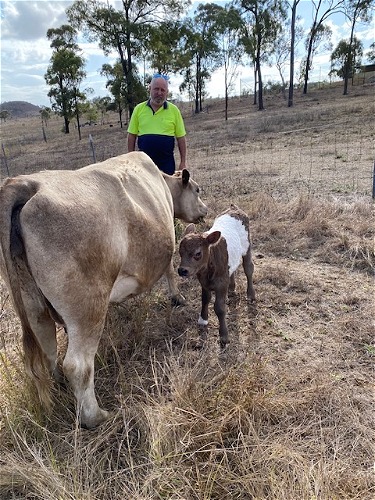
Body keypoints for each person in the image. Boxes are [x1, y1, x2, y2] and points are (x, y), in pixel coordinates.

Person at [127, 74, 187, 175]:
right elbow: (131, 136)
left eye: (163, 90)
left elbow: (181, 138)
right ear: (150, 89)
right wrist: (131, 159)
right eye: (156, 89)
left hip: (167, 166)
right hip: (144, 167)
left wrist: (183, 162)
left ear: (167, 92)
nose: (159, 93)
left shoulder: (174, 111)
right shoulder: (138, 109)